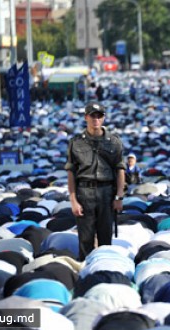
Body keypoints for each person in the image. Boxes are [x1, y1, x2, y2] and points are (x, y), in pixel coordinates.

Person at [65, 102, 125, 261]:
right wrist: (73, 200)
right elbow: (71, 171)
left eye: (99, 116)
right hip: (84, 192)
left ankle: (103, 266)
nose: (96, 119)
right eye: (92, 116)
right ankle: (86, 272)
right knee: (85, 239)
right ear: (86, 117)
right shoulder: (76, 142)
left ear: (104, 118)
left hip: (107, 192)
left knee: (106, 238)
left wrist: (119, 197)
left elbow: (120, 169)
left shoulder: (114, 141)